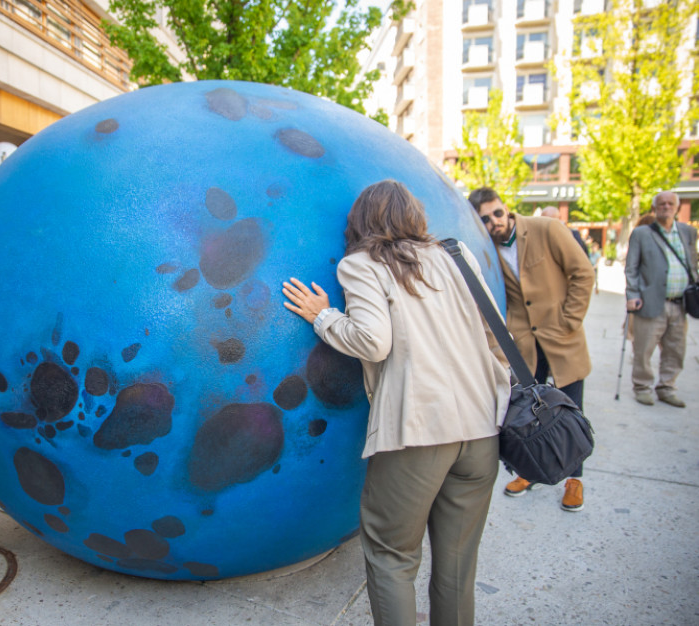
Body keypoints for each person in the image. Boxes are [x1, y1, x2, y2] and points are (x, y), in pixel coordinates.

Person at [282, 180, 510, 626]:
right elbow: (496, 335)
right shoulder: (456, 256)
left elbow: (373, 341)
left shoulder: (361, 265)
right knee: (458, 563)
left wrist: (322, 316)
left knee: (391, 557)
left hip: (419, 432)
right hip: (483, 428)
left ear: (361, 221)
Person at [469, 187, 594, 512]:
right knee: (528, 412)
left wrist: (569, 320)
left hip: (562, 337)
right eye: (485, 218)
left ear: (506, 208)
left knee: (571, 411)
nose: (494, 221)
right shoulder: (487, 249)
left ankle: (574, 481)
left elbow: (583, 273)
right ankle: (530, 472)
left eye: (497, 212)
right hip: (525, 346)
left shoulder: (548, 229)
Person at [624, 190, 697, 408]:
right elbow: (631, 268)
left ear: (676, 207)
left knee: (676, 349)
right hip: (650, 301)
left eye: (670, 203)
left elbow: (692, 263)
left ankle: (667, 387)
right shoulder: (642, 234)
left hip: (680, 302)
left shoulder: (688, 232)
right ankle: (642, 387)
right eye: (661, 203)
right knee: (644, 349)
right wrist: (632, 295)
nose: (666, 206)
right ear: (655, 208)